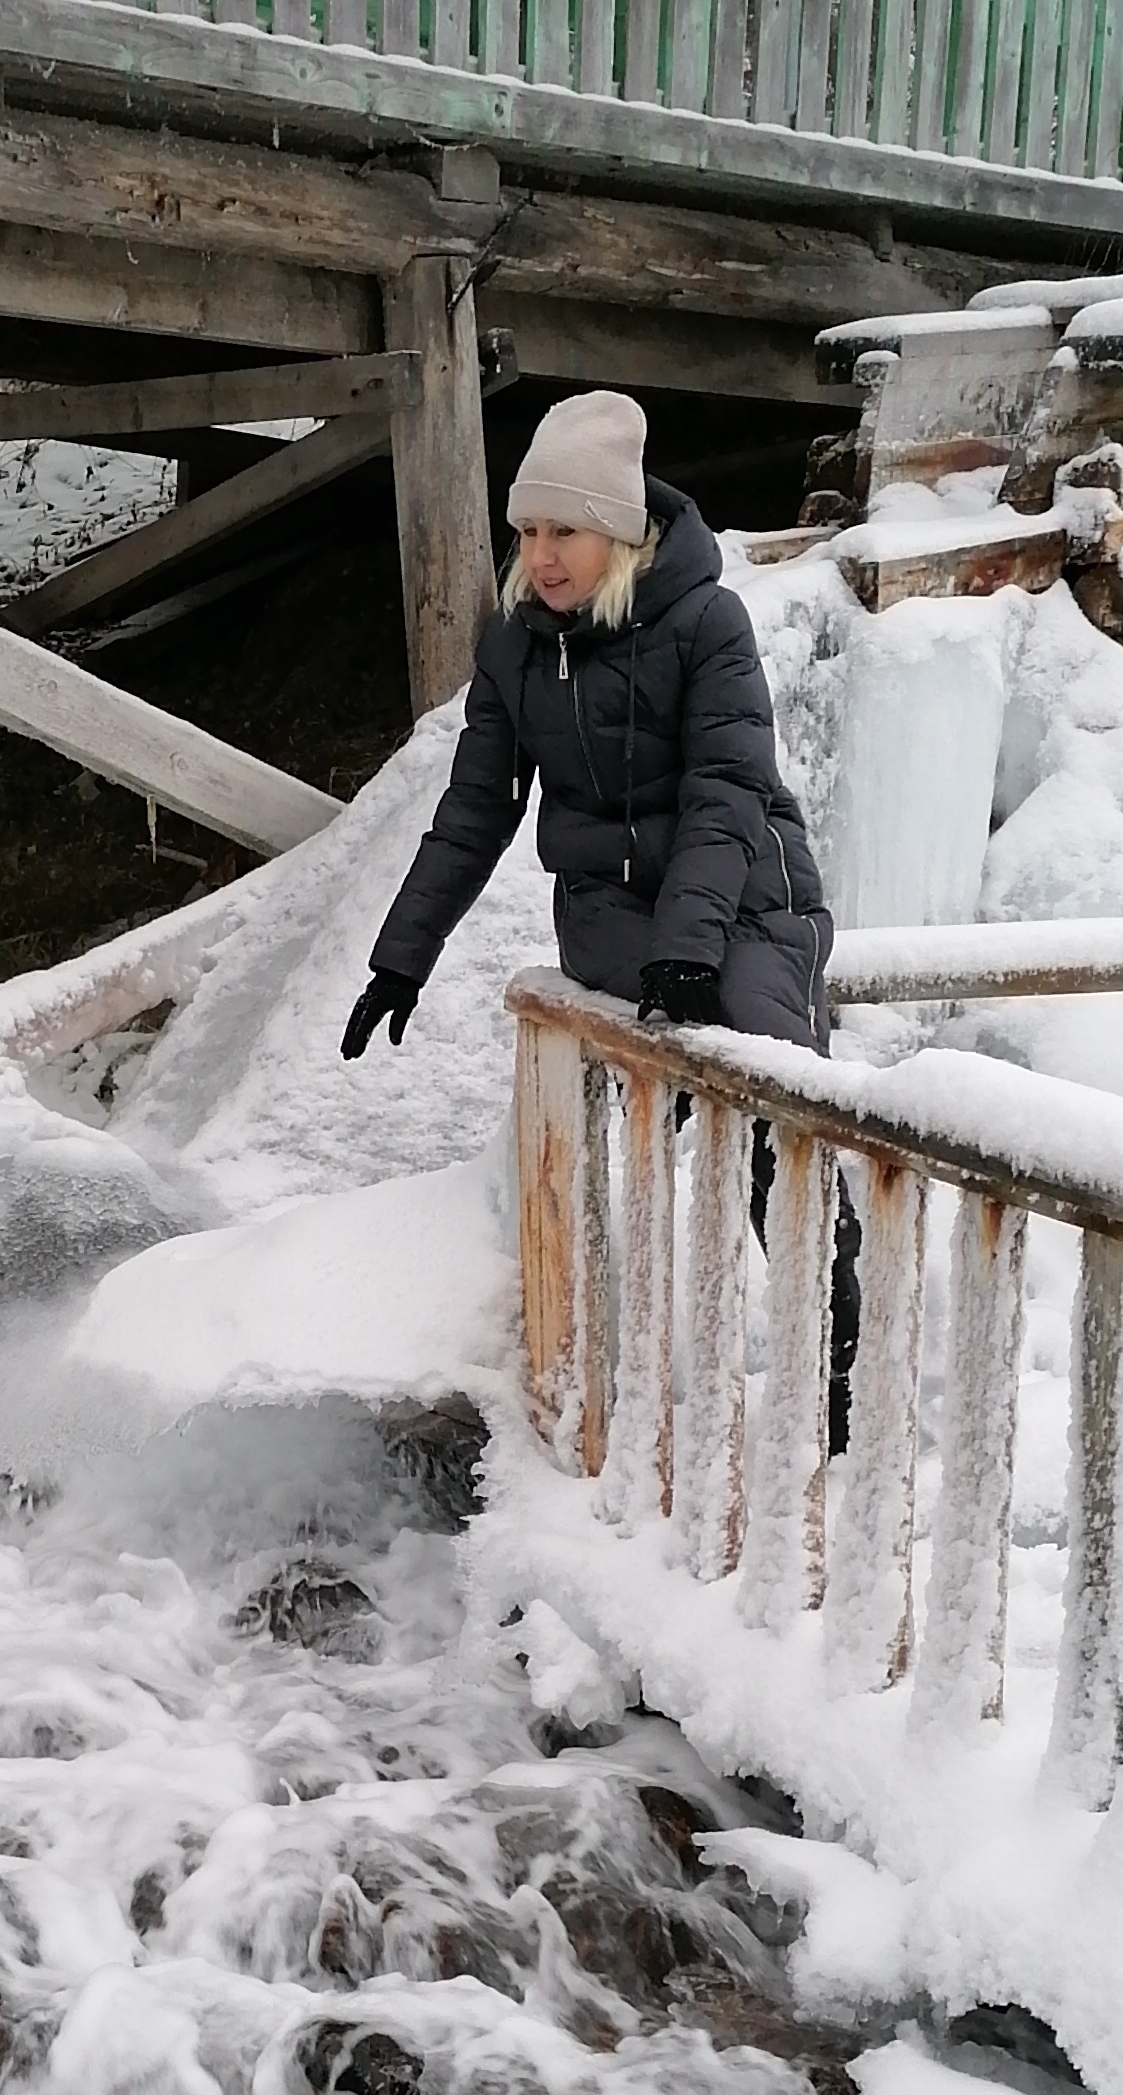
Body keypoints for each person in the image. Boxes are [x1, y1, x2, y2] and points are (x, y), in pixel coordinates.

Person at [341, 387, 858, 1420]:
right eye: (528, 531)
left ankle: (835, 1337)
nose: (541, 555)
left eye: (563, 531)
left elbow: (728, 792)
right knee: (656, 1065)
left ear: (616, 531)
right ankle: (617, 1357)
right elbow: (475, 809)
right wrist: (402, 954)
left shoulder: (706, 622)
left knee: (767, 1084)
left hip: (749, 886)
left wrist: (692, 944)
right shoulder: (514, 646)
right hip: (613, 913)